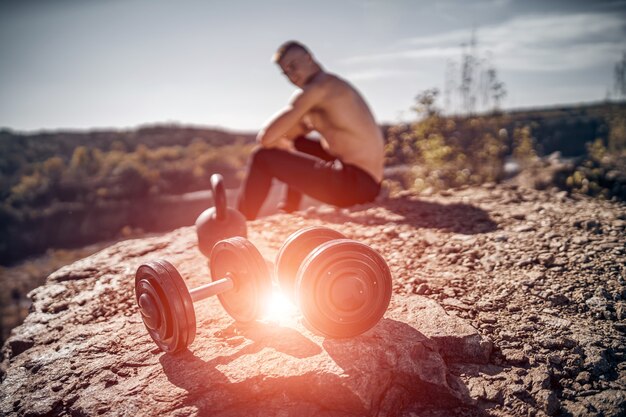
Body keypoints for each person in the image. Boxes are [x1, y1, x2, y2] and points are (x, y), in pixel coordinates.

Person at [237, 40, 385, 220]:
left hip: (355, 184)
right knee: (298, 143)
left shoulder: (319, 88)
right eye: (286, 72)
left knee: (262, 157)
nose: (292, 75)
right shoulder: (331, 89)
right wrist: (285, 140)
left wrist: (280, 140)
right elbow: (289, 135)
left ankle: (239, 222)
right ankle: (290, 210)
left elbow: (266, 138)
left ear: (309, 58)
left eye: (293, 66)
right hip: (368, 184)